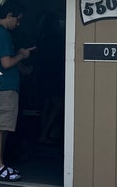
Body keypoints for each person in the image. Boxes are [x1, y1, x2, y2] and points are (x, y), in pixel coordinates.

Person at [0, 0, 34, 182]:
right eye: (18, 19)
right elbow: (6, 63)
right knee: (0, 128)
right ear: (9, 15)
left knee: (3, 128)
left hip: (4, 88)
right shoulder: (3, 34)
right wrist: (22, 55)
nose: (18, 23)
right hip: (5, 88)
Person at [34, 12, 64, 144]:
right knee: (58, 104)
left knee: (46, 105)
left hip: (42, 74)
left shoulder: (40, 37)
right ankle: (45, 134)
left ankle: (43, 133)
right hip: (54, 74)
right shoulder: (55, 38)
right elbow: (60, 57)